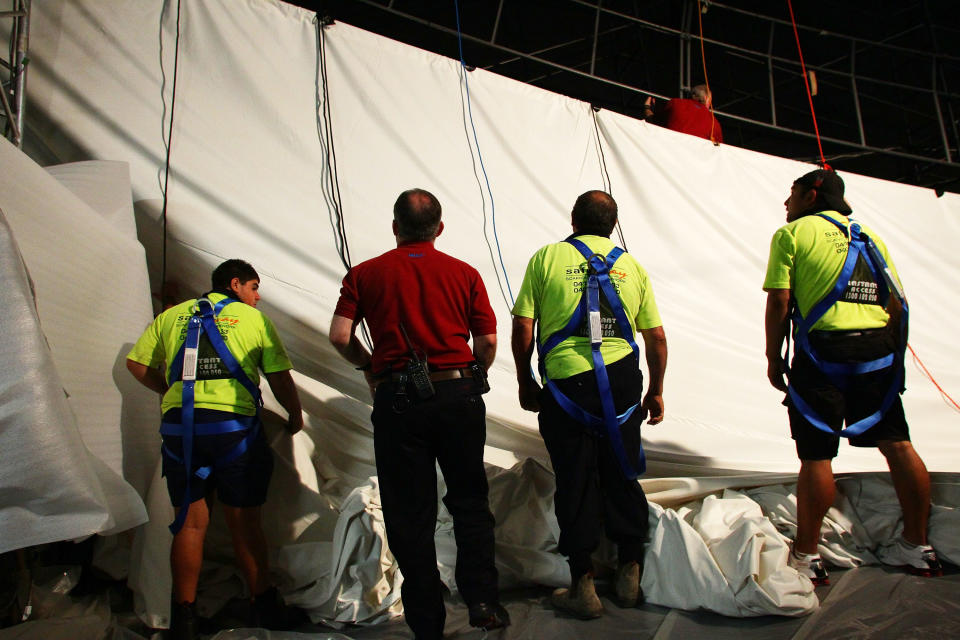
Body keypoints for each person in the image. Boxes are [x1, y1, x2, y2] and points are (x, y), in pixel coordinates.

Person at [329, 189, 509, 640]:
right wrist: (471, 376)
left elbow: (339, 336)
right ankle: (483, 600)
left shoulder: (364, 274)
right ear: (440, 228)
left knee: (410, 513)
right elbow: (487, 343)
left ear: (394, 227)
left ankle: (426, 621)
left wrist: (369, 366)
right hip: (459, 396)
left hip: (398, 402)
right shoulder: (464, 273)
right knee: (469, 500)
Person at [763, 169, 943, 586]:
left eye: (790, 194)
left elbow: (780, 300)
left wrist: (773, 356)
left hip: (821, 356)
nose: (785, 204)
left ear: (811, 195)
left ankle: (807, 554)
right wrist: (892, 359)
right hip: (876, 355)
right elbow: (896, 303)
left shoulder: (791, 234)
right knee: (897, 443)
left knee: (817, 455)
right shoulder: (869, 237)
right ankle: (917, 545)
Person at [127, 259, 304, 640]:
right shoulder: (252, 320)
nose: (257, 297)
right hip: (233, 431)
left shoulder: (171, 316)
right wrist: (295, 414)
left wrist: (169, 390)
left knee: (189, 524)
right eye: (254, 288)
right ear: (235, 284)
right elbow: (278, 376)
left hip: (181, 430)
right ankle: (265, 609)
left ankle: (185, 620)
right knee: (244, 523)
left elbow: (136, 364)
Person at [511, 190, 667, 619]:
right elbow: (655, 336)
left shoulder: (547, 258)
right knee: (621, 471)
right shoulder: (632, 266)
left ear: (574, 218)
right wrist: (655, 389)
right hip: (620, 383)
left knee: (575, 479)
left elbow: (524, 323)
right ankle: (629, 572)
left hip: (567, 386)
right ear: (613, 225)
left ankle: (583, 585)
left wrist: (525, 379)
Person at [643, 84, 722, 144]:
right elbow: (718, 147)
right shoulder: (714, 122)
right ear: (706, 98)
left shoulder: (675, 103)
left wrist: (647, 108)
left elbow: (652, 122)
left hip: (669, 153)